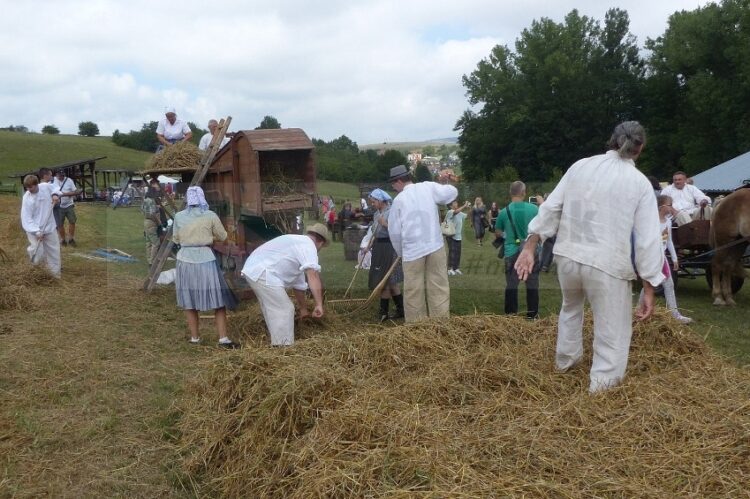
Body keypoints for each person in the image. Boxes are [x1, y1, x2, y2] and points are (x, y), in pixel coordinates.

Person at [515, 121, 665, 394]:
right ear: (639, 148)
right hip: (607, 264)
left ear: (612, 140)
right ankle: (603, 388)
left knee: (570, 309)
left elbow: (550, 208)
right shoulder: (640, 183)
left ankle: (566, 363)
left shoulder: (580, 166)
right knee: (612, 326)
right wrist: (649, 284)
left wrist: (530, 244)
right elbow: (648, 239)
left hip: (568, 258)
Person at [388, 164, 458, 322]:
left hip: (412, 252)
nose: (393, 187)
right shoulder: (428, 187)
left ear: (399, 181)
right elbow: (452, 193)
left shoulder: (399, 200)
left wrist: (401, 252)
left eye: (393, 183)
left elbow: (395, 232)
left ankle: (416, 329)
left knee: (414, 291)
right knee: (439, 286)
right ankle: (440, 325)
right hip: (435, 246)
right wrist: (446, 182)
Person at [172, 186, 239, 348]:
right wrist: (209, 235)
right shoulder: (210, 215)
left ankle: (195, 338)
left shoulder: (179, 217)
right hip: (205, 260)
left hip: (184, 260)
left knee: (189, 301)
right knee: (218, 299)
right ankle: (223, 339)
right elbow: (223, 236)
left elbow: (176, 239)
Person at [240, 224, 329, 346]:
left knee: (272, 308)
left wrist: (303, 309)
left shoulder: (297, 246)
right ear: (320, 242)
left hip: (254, 269)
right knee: (285, 309)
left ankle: (277, 342)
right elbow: (313, 275)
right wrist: (319, 304)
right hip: (263, 272)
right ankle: (283, 348)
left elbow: (299, 286)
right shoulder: (308, 245)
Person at [637, 195, 692, 324]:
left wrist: (674, 258)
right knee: (651, 283)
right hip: (653, 256)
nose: (672, 208)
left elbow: (669, 241)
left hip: (662, 257)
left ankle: (674, 314)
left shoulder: (667, 221)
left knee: (666, 284)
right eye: (670, 205)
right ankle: (641, 309)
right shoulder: (651, 221)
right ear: (662, 206)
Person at [496, 181, 541, 319]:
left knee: (511, 284)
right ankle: (532, 315)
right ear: (524, 192)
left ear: (511, 193)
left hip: (511, 252)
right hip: (531, 251)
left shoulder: (504, 212)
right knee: (532, 283)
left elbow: (498, 232)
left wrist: (505, 235)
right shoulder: (534, 209)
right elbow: (540, 228)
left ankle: (511, 315)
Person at [367, 188, 404, 322]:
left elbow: (398, 231)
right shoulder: (377, 214)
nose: (372, 204)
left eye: (374, 201)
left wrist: (386, 224)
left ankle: (384, 312)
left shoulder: (392, 212)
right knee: (390, 281)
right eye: (371, 202)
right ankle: (401, 310)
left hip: (390, 246)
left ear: (381, 200)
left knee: (387, 280)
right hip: (379, 246)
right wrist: (369, 245)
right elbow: (375, 232)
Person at [20, 175, 62, 277]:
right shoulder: (27, 198)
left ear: (36, 184)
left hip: (49, 226)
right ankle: (37, 272)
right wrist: (36, 231)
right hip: (34, 229)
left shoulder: (45, 187)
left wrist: (55, 195)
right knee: (37, 250)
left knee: (54, 250)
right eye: (27, 187)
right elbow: (26, 218)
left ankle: (55, 274)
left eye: (31, 187)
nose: (29, 189)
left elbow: (56, 187)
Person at [52, 169, 81, 247]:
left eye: (62, 175)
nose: (61, 177)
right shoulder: (53, 181)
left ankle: (71, 239)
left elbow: (75, 192)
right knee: (60, 224)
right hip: (58, 207)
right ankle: (63, 240)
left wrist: (64, 194)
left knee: (72, 221)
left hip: (69, 205)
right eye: (60, 175)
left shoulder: (69, 180)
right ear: (56, 174)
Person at [445, 200, 471, 275]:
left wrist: (469, 208)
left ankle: (456, 268)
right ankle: (450, 269)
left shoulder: (460, 213)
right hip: (451, 235)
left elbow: (468, 217)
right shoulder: (450, 212)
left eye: (456, 203)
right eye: (454, 203)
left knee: (458, 253)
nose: (456, 204)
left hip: (458, 236)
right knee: (452, 252)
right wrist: (464, 205)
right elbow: (455, 212)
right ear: (450, 206)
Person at [141, 178, 163, 266]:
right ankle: (152, 261)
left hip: (145, 221)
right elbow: (153, 213)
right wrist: (158, 222)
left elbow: (142, 211)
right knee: (156, 243)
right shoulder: (151, 201)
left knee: (148, 242)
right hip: (151, 223)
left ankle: (149, 259)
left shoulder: (145, 200)